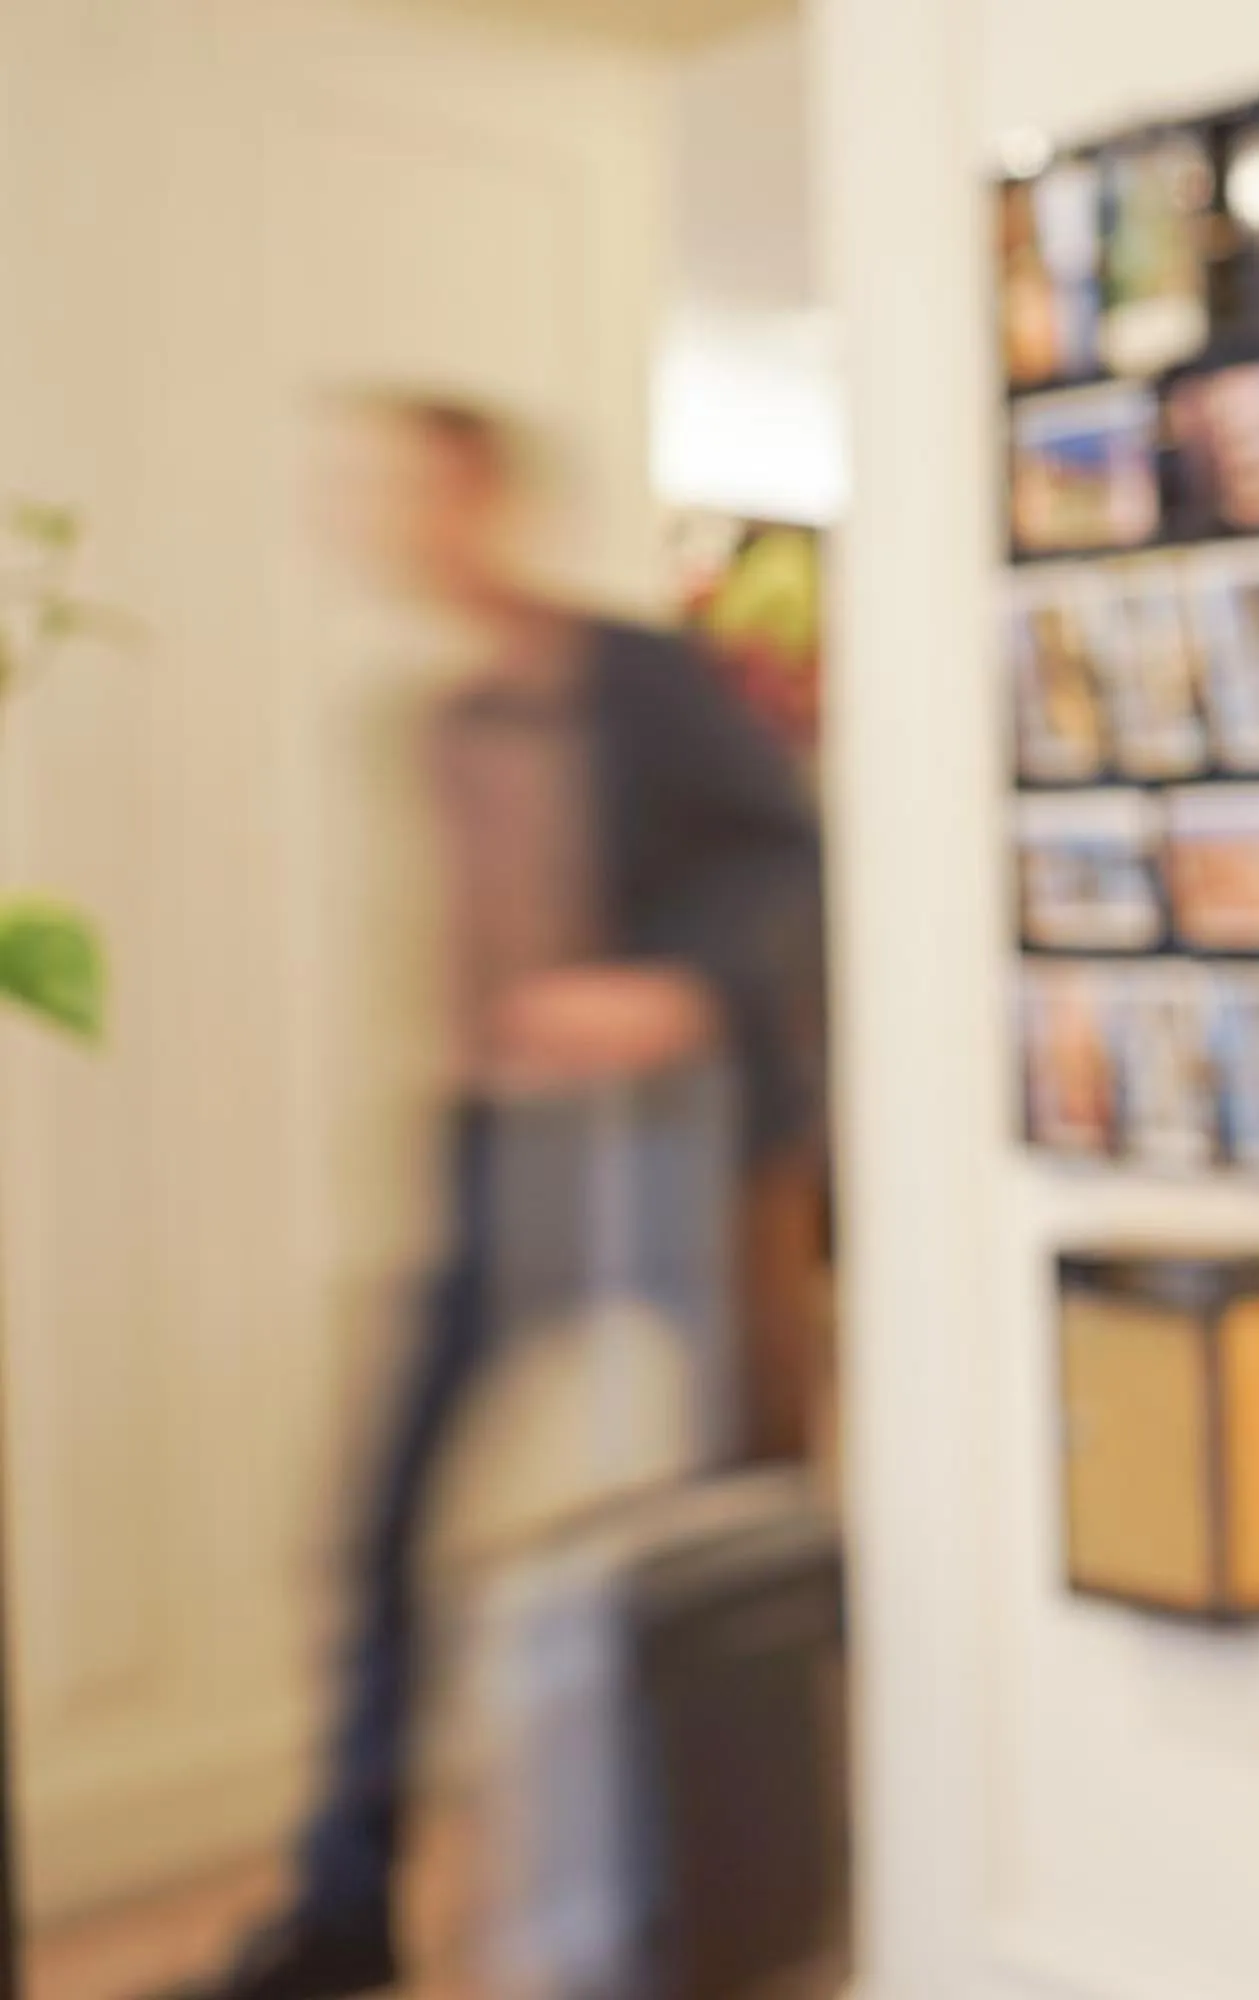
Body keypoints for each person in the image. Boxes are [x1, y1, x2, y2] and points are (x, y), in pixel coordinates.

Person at [158, 396, 826, 2000]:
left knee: (737, 1521)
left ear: (487, 499)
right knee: (385, 1521)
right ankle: (347, 1901)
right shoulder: (438, 718)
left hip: (682, 1156)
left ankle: (757, 1878)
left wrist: (677, 987)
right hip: (501, 1157)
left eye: (417, 491)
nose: (393, 522)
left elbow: (789, 855)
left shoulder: (642, 681)